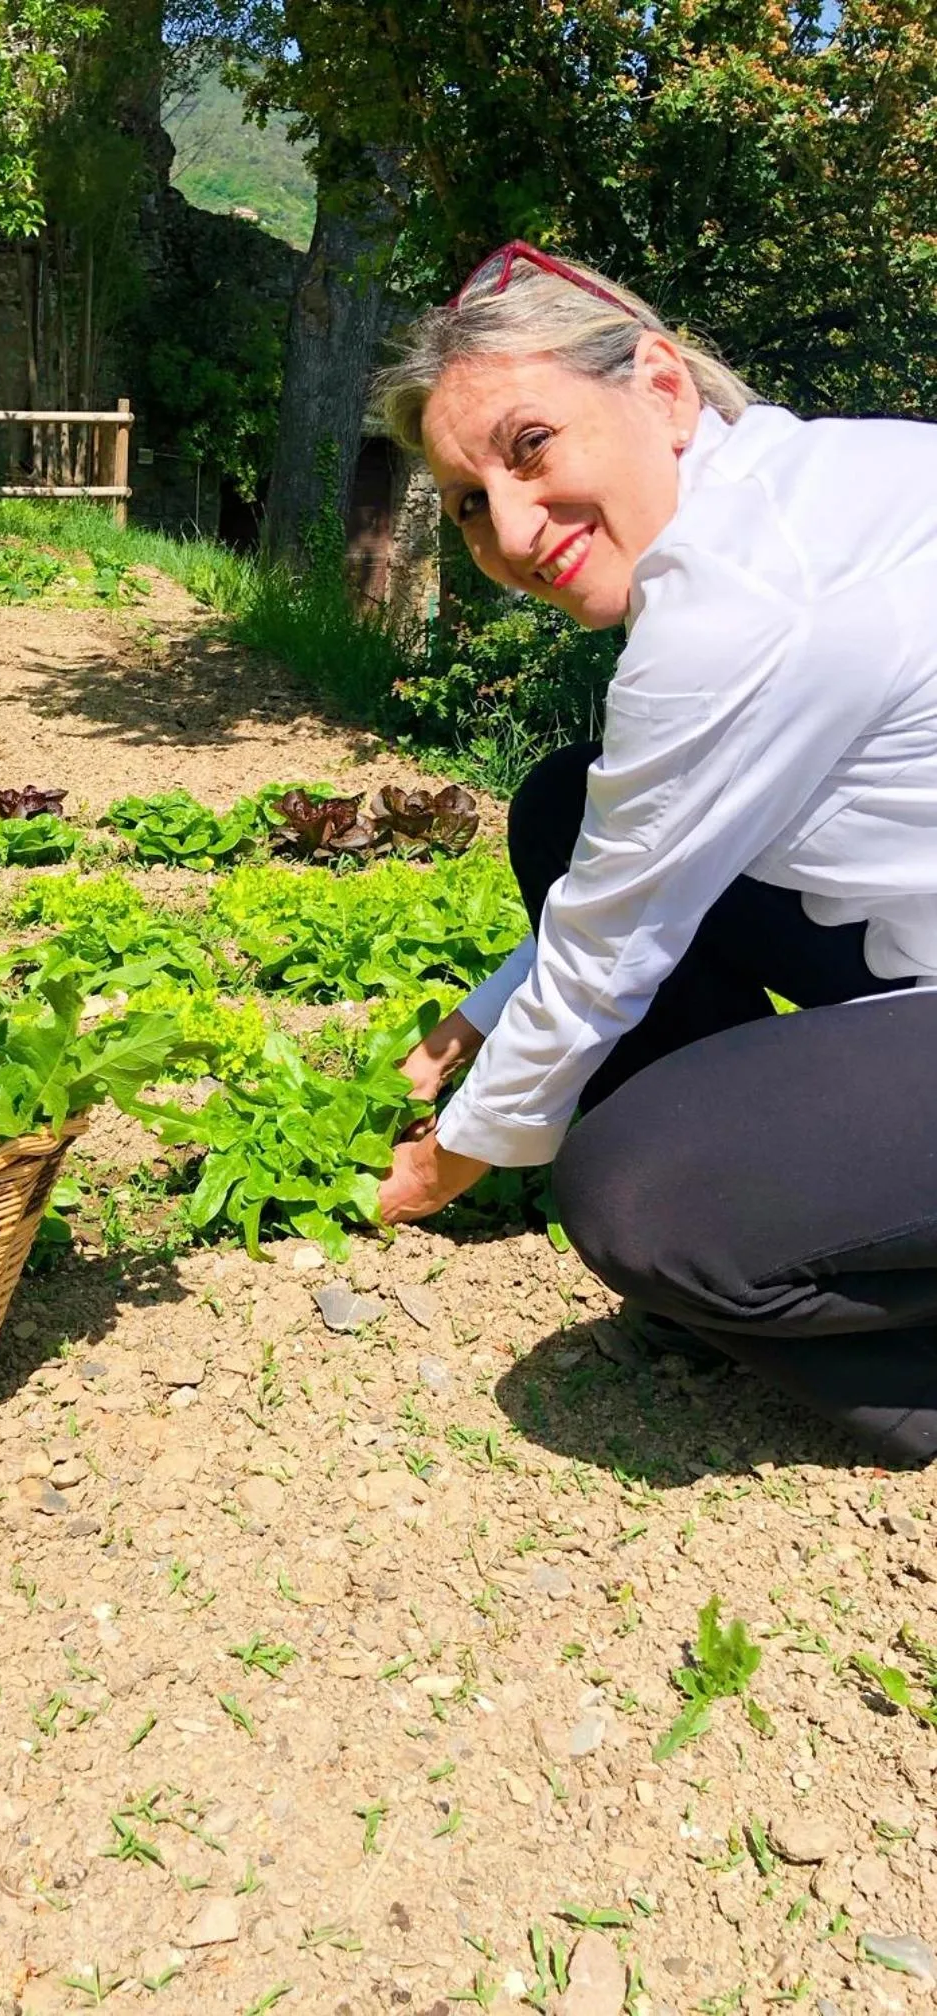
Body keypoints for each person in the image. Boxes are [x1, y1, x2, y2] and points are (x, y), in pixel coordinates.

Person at [373, 241, 937, 1465]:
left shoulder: (747, 592)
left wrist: (449, 1160)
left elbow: (613, 942)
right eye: (471, 504)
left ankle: (895, 1357)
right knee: (568, 803)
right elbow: (640, 861)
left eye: (531, 446)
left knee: (645, 1200)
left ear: (664, 390)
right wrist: (480, 1017)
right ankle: (813, 1203)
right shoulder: (793, 487)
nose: (514, 530)